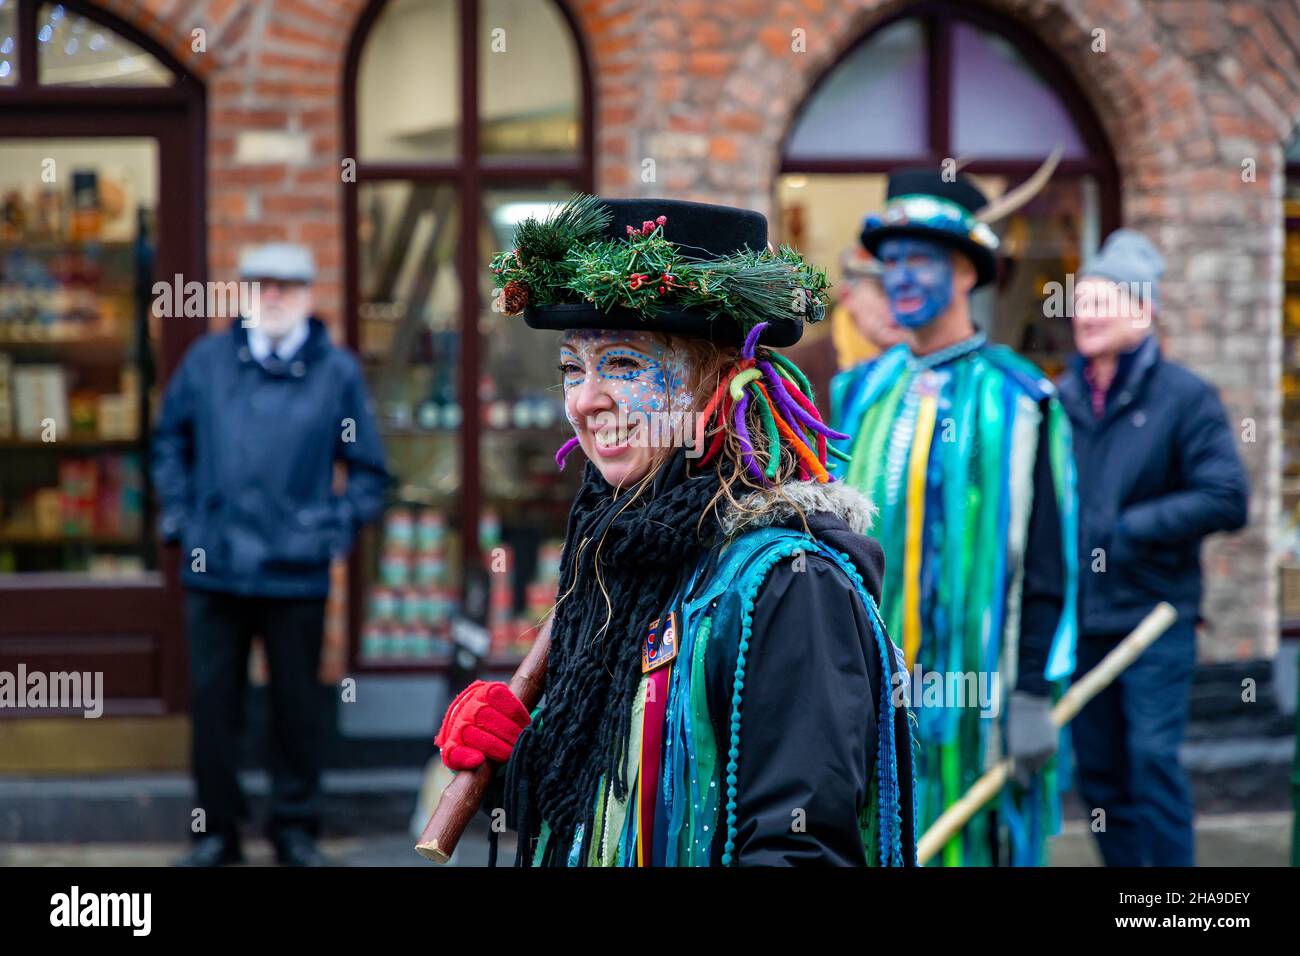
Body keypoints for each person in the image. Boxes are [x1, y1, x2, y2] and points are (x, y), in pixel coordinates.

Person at [433, 195, 916, 866]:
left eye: (625, 365)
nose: (584, 399)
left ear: (719, 380)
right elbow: (599, 810)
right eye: (573, 367)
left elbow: (799, 849)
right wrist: (512, 768)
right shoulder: (611, 559)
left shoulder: (788, 586)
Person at [830, 167, 1078, 866]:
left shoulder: (1023, 401)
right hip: (870, 696)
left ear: (968, 272)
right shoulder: (858, 395)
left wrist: (1032, 691)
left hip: (981, 706)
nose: (900, 277)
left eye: (922, 260)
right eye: (891, 262)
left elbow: (1050, 562)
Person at [152, 243, 389, 866]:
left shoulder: (336, 371)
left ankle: (294, 828)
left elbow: (369, 471)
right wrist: (182, 518)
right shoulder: (207, 363)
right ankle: (215, 833)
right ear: (245, 293)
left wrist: (330, 530)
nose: (273, 296)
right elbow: (168, 443)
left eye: (287, 285)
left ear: (308, 295)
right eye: (261, 284)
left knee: (295, 707)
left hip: (295, 571)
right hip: (216, 567)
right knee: (214, 708)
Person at [1059, 228, 1249, 866]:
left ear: (1144, 310)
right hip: (1083, 618)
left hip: (1155, 619)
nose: (1084, 313)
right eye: (1080, 301)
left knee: (1151, 760)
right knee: (1100, 773)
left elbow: (1228, 497)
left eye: (1101, 301)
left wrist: (1124, 529)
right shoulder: (1059, 400)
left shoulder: (1185, 397)